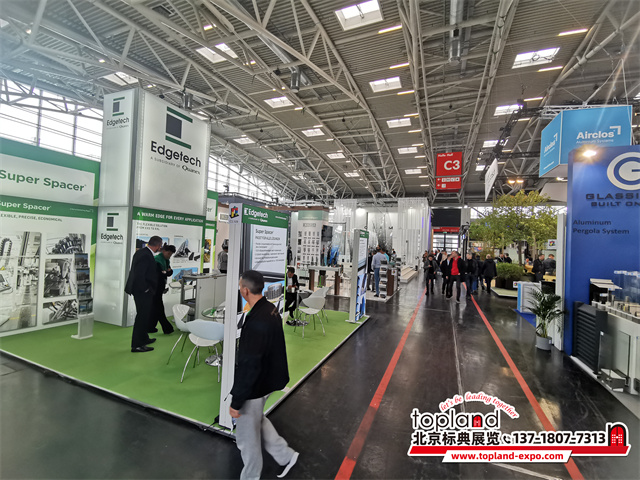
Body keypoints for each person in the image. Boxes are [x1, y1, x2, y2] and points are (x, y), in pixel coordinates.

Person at [230, 270, 299, 480]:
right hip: (267, 380)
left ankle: (251, 477)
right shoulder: (270, 309)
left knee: (246, 438)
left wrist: (237, 401)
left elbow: (250, 364)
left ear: (245, 290)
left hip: (255, 387)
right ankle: (286, 456)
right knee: (257, 419)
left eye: (240, 285)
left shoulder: (257, 321)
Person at [124, 235, 162, 353]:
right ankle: (137, 345)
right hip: (142, 292)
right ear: (158, 245)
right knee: (142, 317)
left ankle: (144, 338)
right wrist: (146, 289)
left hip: (142, 291)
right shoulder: (145, 255)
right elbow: (139, 274)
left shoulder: (142, 252)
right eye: (160, 246)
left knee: (145, 316)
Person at [149, 244, 176, 335]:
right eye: (168, 253)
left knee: (155, 307)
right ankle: (167, 328)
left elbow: (169, 272)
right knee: (159, 308)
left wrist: (165, 272)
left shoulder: (166, 260)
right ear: (163, 251)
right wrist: (165, 272)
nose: (169, 256)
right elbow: (159, 274)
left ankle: (150, 327)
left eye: (171, 254)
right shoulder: (157, 260)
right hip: (154, 287)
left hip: (160, 287)